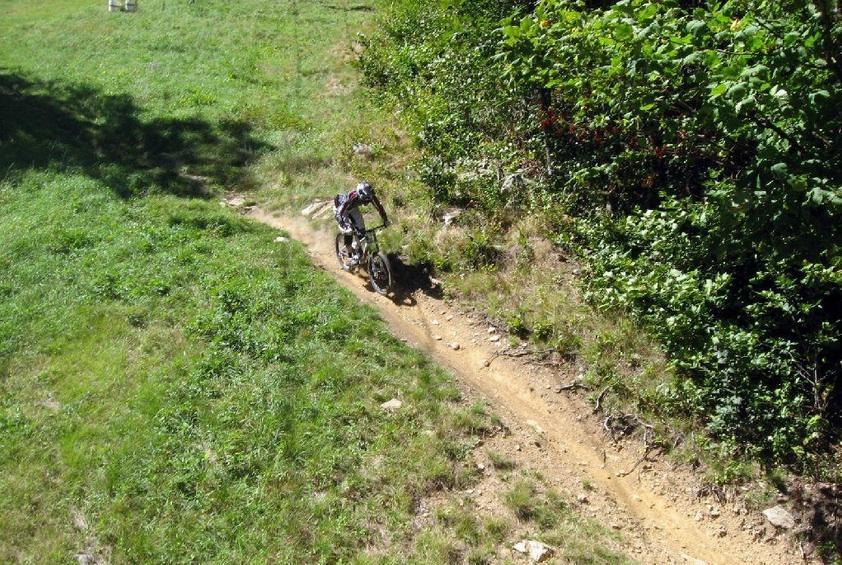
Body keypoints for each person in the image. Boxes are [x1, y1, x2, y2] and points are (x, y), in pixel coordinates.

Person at [334, 180, 389, 269]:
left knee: (361, 230)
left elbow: (379, 207)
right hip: (341, 209)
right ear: (359, 195)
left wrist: (385, 219)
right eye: (365, 200)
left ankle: (358, 251)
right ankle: (349, 251)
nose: (366, 202)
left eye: (368, 200)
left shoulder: (370, 195)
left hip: (353, 208)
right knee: (349, 231)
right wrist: (345, 227)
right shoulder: (351, 198)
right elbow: (339, 213)